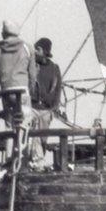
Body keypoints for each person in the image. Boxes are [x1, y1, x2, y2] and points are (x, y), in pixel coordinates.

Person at [0, 20, 36, 130]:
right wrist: (31, 91)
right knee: (26, 123)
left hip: (6, 91)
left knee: (9, 125)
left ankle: (10, 146)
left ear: (4, 33)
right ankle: (23, 145)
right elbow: (32, 75)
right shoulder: (28, 48)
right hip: (23, 91)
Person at [29, 37, 62, 168]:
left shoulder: (54, 69)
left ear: (44, 51)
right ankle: (37, 162)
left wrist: (54, 108)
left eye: (37, 49)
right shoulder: (31, 66)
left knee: (42, 138)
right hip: (32, 107)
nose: (34, 51)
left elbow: (58, 89)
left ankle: (38, 163)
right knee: (34, 135)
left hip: (46, 110)